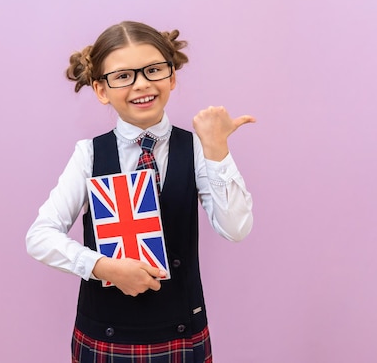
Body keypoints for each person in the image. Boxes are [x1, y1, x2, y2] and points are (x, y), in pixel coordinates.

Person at [26, 20, 255, 363]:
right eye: (123, 76)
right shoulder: (89, 154)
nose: (142, 84)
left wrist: (217, 150)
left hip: (182, 330)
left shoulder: (196, 148)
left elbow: (236, 229)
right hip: (105, 333)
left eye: (153, 70)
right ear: (101, 89)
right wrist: (103, 267)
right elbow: (40, 236)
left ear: (172, 76)